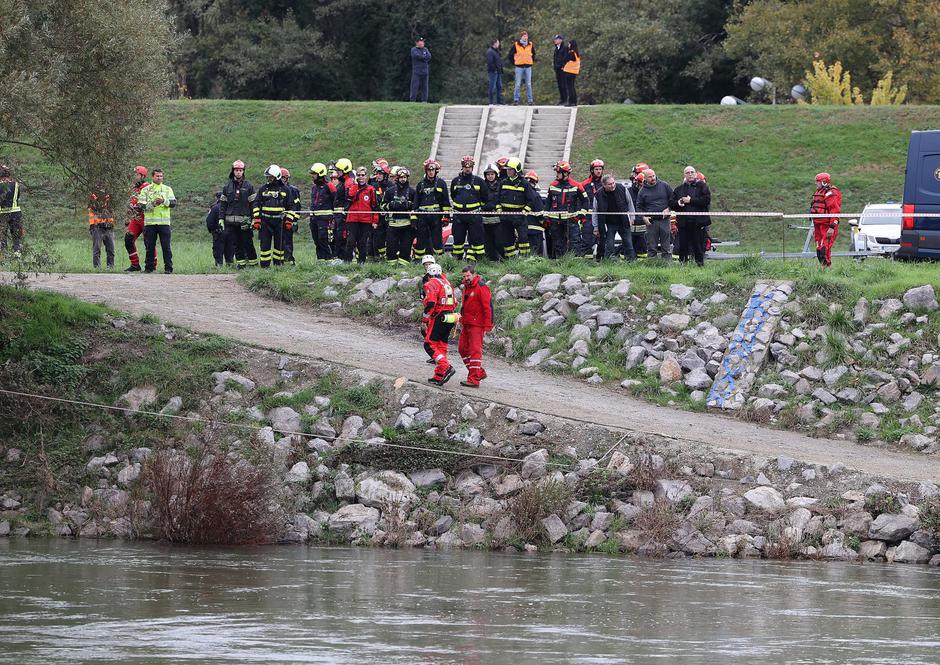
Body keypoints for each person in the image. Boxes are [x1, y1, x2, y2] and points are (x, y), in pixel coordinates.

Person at [496, 157, 541, 257]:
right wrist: (499, 209)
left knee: (523, 239)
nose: (508, 171)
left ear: (516, 170)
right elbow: (497, 198)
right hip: (505, 215)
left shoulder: (524, 183)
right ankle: (511, 259)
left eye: (510, 169)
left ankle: (524, 259)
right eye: (507, 169)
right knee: (507, 239)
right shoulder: (503, 182)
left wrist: (525, 211)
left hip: (519, 215)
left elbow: (531, 199)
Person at [422, 262, 458, 385]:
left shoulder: (431, 284)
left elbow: (431, 304)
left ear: (429, 274)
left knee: (429, 344)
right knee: (441, 346)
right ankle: (439, 375)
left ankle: (446, 366)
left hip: (439, 317)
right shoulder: (447, 283)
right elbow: (455, 302)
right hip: (450, 317)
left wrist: (424, 320)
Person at [458, 265, 494, 387]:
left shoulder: (481, 287)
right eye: (464, 276)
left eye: (468, 275)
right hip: (466, 323)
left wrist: (488, 325)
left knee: (475, 351)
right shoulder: (466, 287)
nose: (466, 278)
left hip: (477, 324)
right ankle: (478, 372)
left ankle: (473, 379)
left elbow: (488, 307)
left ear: (474, 274)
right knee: (462, 349)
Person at [136, 168, 177, 273]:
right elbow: (140, 206)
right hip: (150, 223)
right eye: (157, 176)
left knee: (166, 247)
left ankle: (168, 268)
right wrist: (153, 204)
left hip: (164, 223)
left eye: (161, 176)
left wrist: (164, 201)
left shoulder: (167, 189)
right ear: (152, 177)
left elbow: (173, 203)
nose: (159, 178)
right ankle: (149, 268)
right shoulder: (146, 189)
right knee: (149, 247)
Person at [251, 165, 293, 268]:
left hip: (280, 222)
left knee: (279, 246)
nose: (268, 179)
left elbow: (291, 206)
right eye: (267, 177)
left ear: (276, 176)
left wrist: (289, 220)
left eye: (270, 177)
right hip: (266, 221)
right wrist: (257, 219)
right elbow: (256, 204)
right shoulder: (263, 189)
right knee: (265, 246)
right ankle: (265, 267)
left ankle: (278, 266)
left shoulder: (285, 190)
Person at [219, 159, 258, 269]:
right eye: (236, 170)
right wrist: (221, 219)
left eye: (240, 170)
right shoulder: (227, 187)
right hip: (231, 223)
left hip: (245, 222)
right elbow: (223, 205)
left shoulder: (249, 186)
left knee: (248, 243)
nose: (238, 172)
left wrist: (254, 218)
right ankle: (241, 265)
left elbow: (253, 204)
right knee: (236, 244)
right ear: (233, 171)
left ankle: (253, 264)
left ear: (243, 171)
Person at [670, 165, 711, 266]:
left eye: (692, 172)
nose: (690, 174)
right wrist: (678, 203)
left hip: (698, 223)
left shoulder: (702, 186)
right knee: (682, 246)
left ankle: (700, 265)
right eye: (688, 173)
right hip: (683, 223)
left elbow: (706, 200)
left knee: (698, 245)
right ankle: (683, 265)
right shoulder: (679, 189)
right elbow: (671, 203)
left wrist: (691, 200)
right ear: (684, 175)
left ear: (696, 174)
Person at [546, 160, 589, 257]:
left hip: (571, 220)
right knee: (558, 243)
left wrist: (581, 213)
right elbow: (548, 203)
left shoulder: (576, 186)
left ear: (565, 173)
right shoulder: (552, 186)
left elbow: (586, 201)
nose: (557, 174)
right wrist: (546, 216)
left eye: (558, 172)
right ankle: (559, 264)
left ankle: (575, 264)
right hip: (556, 221)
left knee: (575, 242)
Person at [450, 156, 488, 261]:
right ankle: (456, 260)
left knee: (476, 239)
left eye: (470, 166)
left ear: (473, 167)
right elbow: (454, 196)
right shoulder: (455, 181)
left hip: (474, 216)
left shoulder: (479, 181)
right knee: (458, 239)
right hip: (459, 216)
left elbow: (485, 197)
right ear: (462, 167)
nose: (467, 168)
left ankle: (479, 260)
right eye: (465, 166)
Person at [593, 174, 635, 262]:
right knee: (609, 245)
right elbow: (595, 212)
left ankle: (631, 262)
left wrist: (632, 218)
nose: (612, 185)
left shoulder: (622, 189)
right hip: (609, 223)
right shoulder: (598, 195)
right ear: (604, 185)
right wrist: (596, 227)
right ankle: (609, 262)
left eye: (613, 183)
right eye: (610, 184)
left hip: (623, 221)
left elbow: (630, 204)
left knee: (628, 244)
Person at [414, 159, 451, 258]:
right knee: (421, 239)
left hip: (436, 216)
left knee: (437, 239)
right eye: (429, 170)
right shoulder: (420, 184)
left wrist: (446, 217)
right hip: (422, 216)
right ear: (426, 171)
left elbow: (445, 201)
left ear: (436, 171)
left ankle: (439, 259)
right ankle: (418, 260)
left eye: (433, 170)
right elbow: (416, 202)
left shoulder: (441, 183)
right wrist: (414, 218)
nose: (431, 172)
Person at [636, 168, 673, 260]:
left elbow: (673, 199)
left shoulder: (664, 186)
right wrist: (643, 217)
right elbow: (639, 207)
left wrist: (669, 209)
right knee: (651, 247)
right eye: (650, 177)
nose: (653, 178)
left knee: (666, 246)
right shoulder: (642, 191)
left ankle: (667, 265)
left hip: (665, 220)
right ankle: (652, 266)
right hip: (651, 222)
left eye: (653, 176)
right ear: (645, 178)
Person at [383, 167, 417, 265]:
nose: (403, 179)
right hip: (392, 225)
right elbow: (382, 206)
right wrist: (391, 205)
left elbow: (415, 207)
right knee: (391, 247)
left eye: (405, 177)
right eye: (401, 177)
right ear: (397, 178)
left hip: (407, 226)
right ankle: (391, 267)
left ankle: (403, 268)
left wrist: (409, 205)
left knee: (405, 248)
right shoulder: (389, 191)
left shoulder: (412, 192)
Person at [344, 166, 378, 263]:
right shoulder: (352, 188)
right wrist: (355, 185)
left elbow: (375, 206)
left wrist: (375, 220)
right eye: (358, 175)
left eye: (363, 175)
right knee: (350, 241)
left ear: (366, 176)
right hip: (353, 219)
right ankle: (347, 262)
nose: (361, 177)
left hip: (366, 220)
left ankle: (362, 263)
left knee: (363, 242)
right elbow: (350, 198)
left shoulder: (371, 189)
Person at [810, 172, 841, 267]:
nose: (816, 183)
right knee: (819, 250)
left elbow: (835, 211)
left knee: (824, 249)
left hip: (827, 226)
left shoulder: (831, 193)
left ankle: (827, 269)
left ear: (824, 182)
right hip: (818, 225)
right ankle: (824, 269)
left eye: (818, 182)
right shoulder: (819, 192)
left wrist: (832, 227)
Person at [308, 162, 337, 260]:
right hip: (314, 219)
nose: (312, 176)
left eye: (314, 174)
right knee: (316, 240)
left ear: (320, 174)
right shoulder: (314, 187)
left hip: (325, 219)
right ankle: (320, 260)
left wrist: (333, 218)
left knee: (323, 240)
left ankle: (329, 259)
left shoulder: (329, 186)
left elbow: (335, 201)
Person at [124, 166, 151, 271]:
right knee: (128, 239)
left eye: (136, 175)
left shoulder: (148, 187)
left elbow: (150, 204)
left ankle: (152, 265)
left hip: (146, 218)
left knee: (148, 242)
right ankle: (135, 264)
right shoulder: (133, 188)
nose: (134, 177)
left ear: (142, 176)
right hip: (136, 218)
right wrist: (128, 215)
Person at [580, 159, 605, 255]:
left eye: (600, 169)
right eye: (596, 169)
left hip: (602, 216)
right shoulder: (584, 185)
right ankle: (587, 262)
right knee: (587, 239)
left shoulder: (605, 184)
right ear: (592, 170)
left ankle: (601, 260)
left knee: (603, 239)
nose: (599, 171)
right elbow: (580, 200)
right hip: (588, 217)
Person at [480, 163, 504, 261]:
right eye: (488, 174)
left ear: (496, 174)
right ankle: (490, 260)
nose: (490, 176)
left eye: (492, 174)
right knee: (487, 241)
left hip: (498, 219)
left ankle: (501, 259)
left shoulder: (501, 184)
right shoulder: (482, 185)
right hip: (485, 219)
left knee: (499, 241)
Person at [88, 188, 115, 269]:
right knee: (97, 250)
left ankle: (110, 268)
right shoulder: (93, 195)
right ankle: (97, 268)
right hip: (97, 226)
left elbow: (114, 209)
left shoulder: (111, 196)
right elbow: (96, 208)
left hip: (109, 227)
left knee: (111, 250)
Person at [369, 159, 392, 260]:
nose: (377, 176)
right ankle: (378, 257)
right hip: (377, 218)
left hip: (389, 218)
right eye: (376, 174)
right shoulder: (374, 186)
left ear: (385, 175)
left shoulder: (392, 187)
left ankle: (388, 257)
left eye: (379, 174)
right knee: (377, 238)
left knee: (390, 238)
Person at [332, 158, 354, 257]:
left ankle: (345, 258)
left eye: (339, 171)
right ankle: (340, 257)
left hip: (343, 216)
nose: (337, 173)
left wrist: (345, 213)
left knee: (343, 237)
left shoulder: (348, 182)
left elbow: (349, 200)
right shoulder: (342, 183)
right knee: (338, 236)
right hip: (338, 215)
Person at [206, 191, 234, 268]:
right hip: (230, 232)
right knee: (230, 249)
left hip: (218, 232)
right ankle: (230, 265)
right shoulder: (231, 207)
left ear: (217, 198)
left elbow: (209, 221)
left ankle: (219, 266)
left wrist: (212, 230)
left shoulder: (214, 207)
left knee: (218, 249)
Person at [627, 163, 649, 258]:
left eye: (636, 174)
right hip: (630, 226)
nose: (634, 177)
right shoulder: (628, 191)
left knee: (642, 250)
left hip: (644, 228)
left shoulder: (650, 191)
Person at [281, 167, 301, 265]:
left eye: (284, 178)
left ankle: (289, 259)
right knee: (279, 240)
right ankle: (280, 260)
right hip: (279, 219)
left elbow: (297, 206)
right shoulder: (277, 189)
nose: (282, 180)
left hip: (289, 218)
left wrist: (295, 220)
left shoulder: (293, 190)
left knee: (288, 240)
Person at [509, 31, 535, 105]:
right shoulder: (516, 45)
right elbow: (510, 55)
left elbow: (533, 54)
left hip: (528, 66)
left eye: (526, 36)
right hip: (519, 67)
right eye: (524, 36)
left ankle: (530, 100)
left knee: (529, 84)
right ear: (521, 37)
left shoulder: (530, 44)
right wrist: (514, 62)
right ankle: (516, 100)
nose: (525, 37)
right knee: (517, 84)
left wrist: (531, 61)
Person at [524, 170, 546, 256]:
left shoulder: (522, 195)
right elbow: (540, 213)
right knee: (536, 253)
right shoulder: (535, 195)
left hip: (523, 228)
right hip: (535, 229)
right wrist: (544, 222)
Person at [409, 37, 431, 102]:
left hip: (425, 71)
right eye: (421, 41)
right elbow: (417, 56)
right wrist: (424, 57)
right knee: (414, 86)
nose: (422, 43)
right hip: (417, 71)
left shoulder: (425, 49)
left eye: (423, 41)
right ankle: (412, 100)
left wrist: (423, 57)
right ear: (417, 42)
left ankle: (424, 100)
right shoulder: (413, 49)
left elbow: (429, 56)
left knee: (425, 87)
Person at [561, 39, 581, 107]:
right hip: (574, 72)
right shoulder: (576, 54)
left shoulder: (571, 53)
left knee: (569, 87)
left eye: (569, 44)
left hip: (569, 71)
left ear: (572, 45)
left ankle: (570, 102)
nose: (568, 45)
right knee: (572, 87)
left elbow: (565, 59)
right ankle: (574, 101)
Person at [552, 34, 569, 105]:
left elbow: (566, 58)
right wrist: (555, 66)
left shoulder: (565, 48)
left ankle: (565, 99)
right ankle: (562, 99)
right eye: (555, 39)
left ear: (560, 40)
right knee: (559, 85)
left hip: (563, 69)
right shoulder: (556, 48)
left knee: (564, 85)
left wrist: (563, 66)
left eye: (557, 39)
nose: (555, 40)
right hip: (557, 69)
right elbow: (555, 59)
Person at [486, 39, 504, 105]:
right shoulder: (490, 51)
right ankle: (491, 102)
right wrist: (494, 69)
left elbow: (499, 61)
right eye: (498, 43)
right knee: (492, 87)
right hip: (493, 72)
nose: (499, 44)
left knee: (499, 86)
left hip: (498, 72)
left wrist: (500, 69)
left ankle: (499, 102)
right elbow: (490, 62)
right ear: (495, 43)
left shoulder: (496, 51)